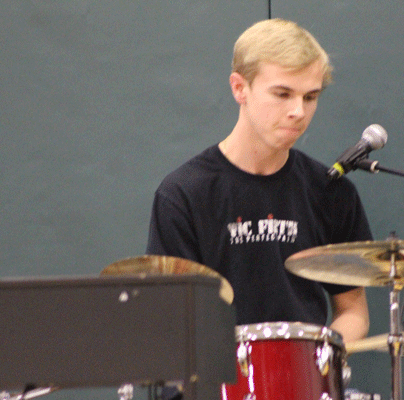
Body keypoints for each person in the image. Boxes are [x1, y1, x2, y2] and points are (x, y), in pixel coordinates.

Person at [146, 18, 371, 343]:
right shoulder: (183, 193)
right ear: (240, 88)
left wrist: (317, 359)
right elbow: (171, 321)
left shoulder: (331, 191)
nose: (298, 111)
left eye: (310, 97)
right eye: (282, 94)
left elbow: (353, 311)